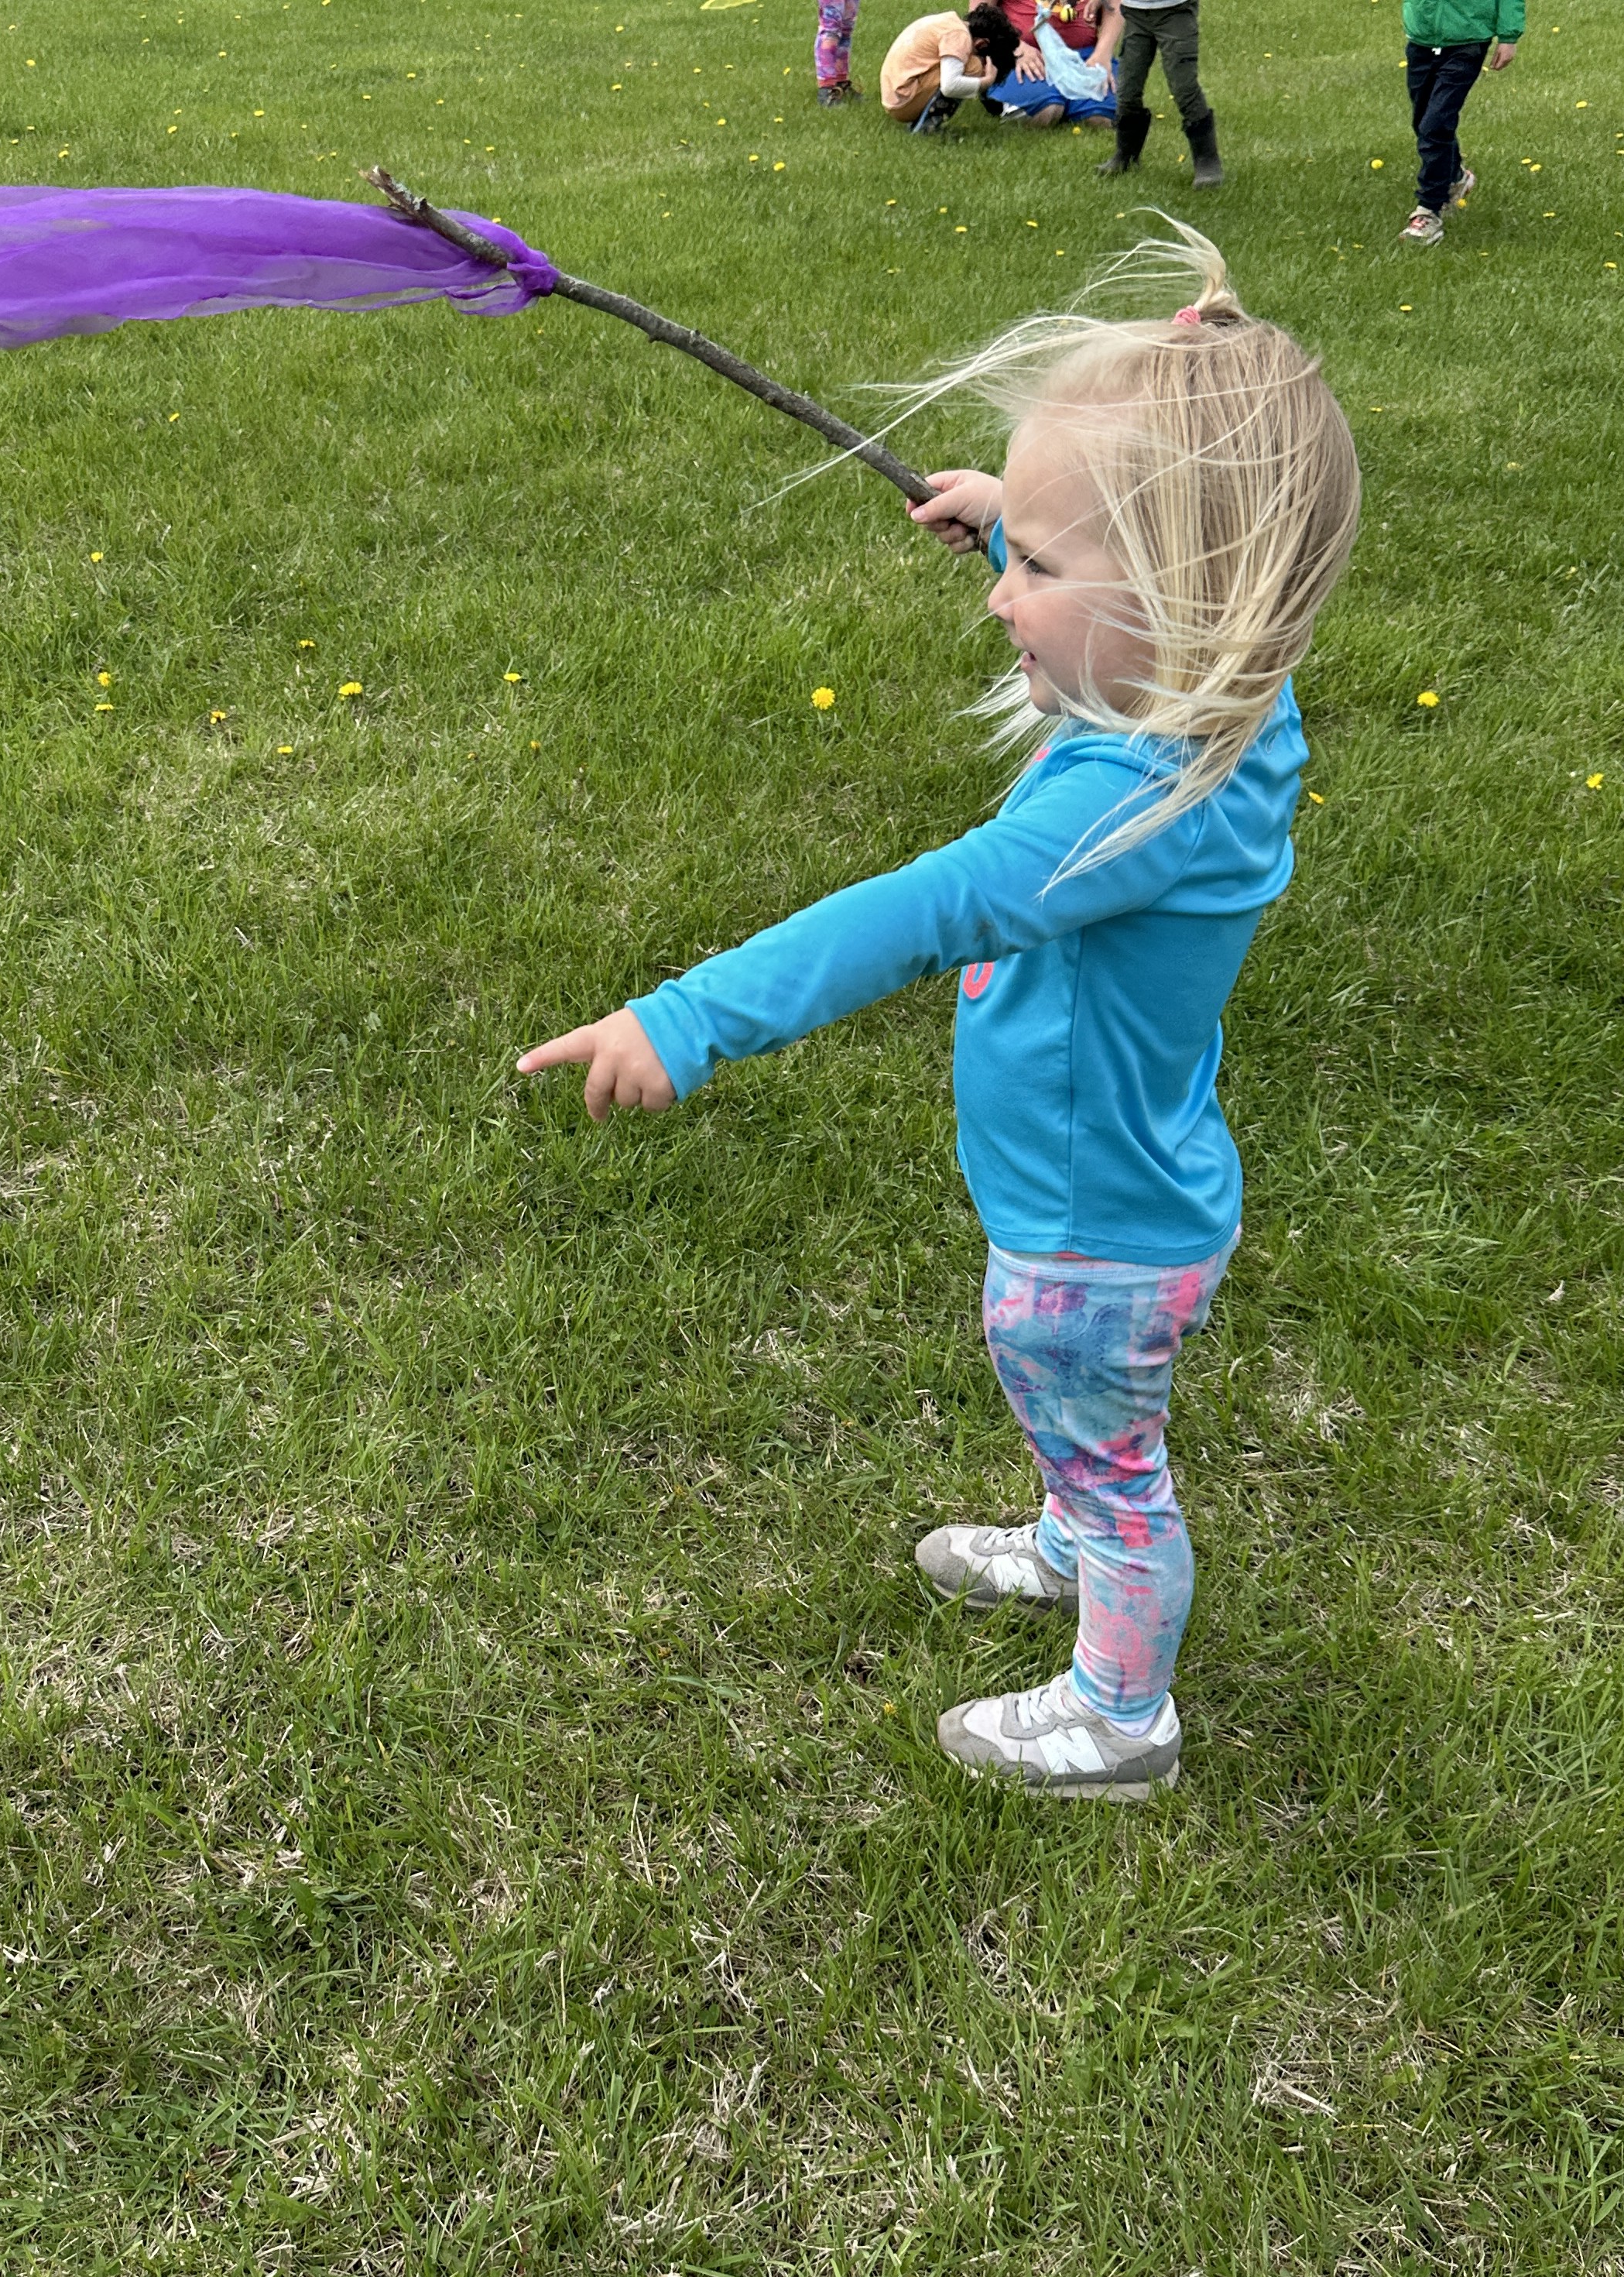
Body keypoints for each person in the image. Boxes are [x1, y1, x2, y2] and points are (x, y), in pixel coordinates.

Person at [515, 231, 1360, 1802]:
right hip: (1123, 1197)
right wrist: (1007, 528)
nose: (1003, 606)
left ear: (1187, 608)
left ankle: (1122, 1717)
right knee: (1081, 1436)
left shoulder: (1117, 813)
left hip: (1090, 1238)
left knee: (1118, 1465)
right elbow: (1141, 610)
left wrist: (686, 1017)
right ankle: (1062, 1541)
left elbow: (911, 912)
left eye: (1040, 573)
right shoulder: (1230, 712)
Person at [1399, 0, 1519, 243]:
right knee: (1423, 123)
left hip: (1468, 39)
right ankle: (1455, 176)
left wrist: (1509, 36)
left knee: (1435, 125)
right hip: (1422, 39)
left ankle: (1429, 210)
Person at [1098, 0, 1221, 186]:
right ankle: (1125, 155)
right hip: (1135, 13)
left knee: (1184, 88)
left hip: (1176, 12)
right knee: (1127, 89)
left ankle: (1206, 159)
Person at [878, 5, 1021, 130]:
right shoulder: (960, 37)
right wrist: (986, 82)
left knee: (964, 66)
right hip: (904, 101)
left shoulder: (950, 22)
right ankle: (926, 128)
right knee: (974, 68)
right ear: (981, 44)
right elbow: (950, 86)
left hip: (895, 94)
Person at [991, 0, 1122, 125]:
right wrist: (1015, 46)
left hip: (1085, 57)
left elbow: (1114, 4)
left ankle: (1071, 100)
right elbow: (978, 17)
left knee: (1100, 117)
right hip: (1027, 57)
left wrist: (1103, 54)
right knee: (1047, 110)